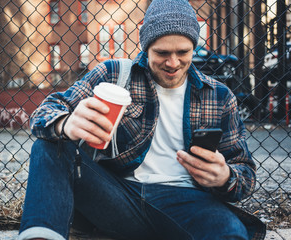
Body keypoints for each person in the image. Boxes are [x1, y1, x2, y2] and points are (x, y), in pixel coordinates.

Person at [18, 0, 266, 239]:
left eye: (183, 52)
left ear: (194, 47)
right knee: (51, 144)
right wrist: (66, 124)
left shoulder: (219, 96)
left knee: (229, 232)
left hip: (190, 203)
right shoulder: (114, 73)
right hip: (118, 197)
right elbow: (45, 112)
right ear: (145, 47)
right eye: (162, 52)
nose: (173, 63)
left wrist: (224, 176)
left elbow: (244, 172)